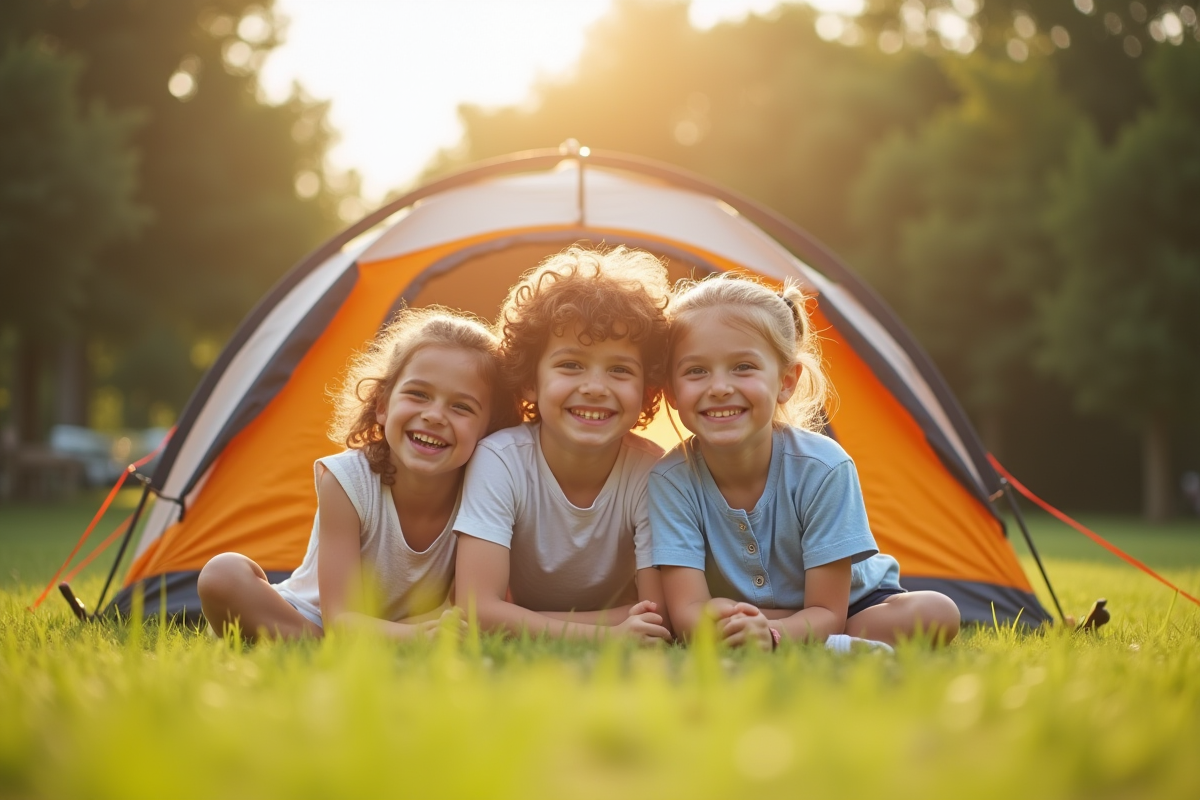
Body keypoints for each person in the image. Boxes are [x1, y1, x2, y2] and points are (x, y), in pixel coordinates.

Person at [650, 274, 960, 650]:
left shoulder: (823, 466)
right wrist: (722, 622)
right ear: (672, 391)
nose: (719, 387)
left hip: (849, 605)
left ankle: (793, 639)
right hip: (737, 613)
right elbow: (689, 612)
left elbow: (828, 609)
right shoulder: (670, 479)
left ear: (786, 380)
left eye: (743, 367)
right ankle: (825, 644)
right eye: (696, 370)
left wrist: (771, 633)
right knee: (716, 619)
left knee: (936, 611)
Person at [197, 308, 516, 641]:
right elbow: (339, 617)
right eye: (418, 394)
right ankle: (318, 644)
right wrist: (417, 639)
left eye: (461, 407)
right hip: (313, 616)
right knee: (223, 573)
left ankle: (305, 644)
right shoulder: (348, 480)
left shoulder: (486, 494)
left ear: (489, 429)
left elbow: (466, 607)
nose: (434, 415)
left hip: (401, 626)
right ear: (382, 405)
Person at [453, 246, 673, 643]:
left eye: (620, 369)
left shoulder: (651, 472)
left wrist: (520, 620)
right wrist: (605, 633)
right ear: (529, 382)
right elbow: (476, 608)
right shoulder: (501, 461)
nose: (594, 387)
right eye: (571, 365)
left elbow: (655, 614)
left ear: (646, 390)